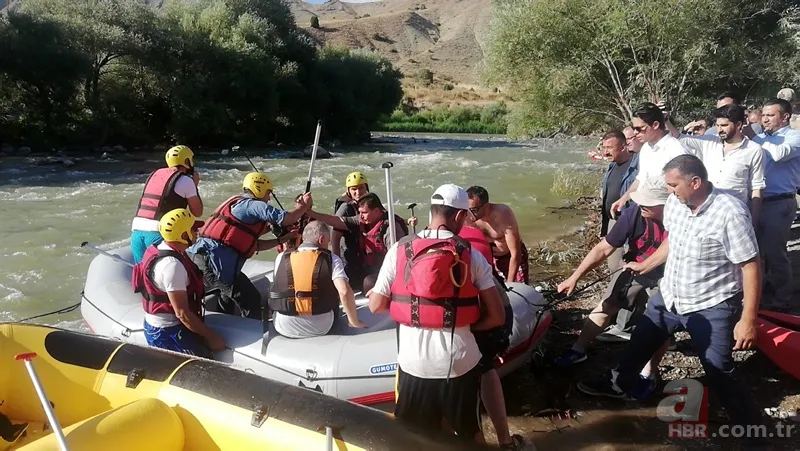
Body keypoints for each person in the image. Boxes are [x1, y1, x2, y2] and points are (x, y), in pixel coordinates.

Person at [578, 155, 764, 440]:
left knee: (719, 371)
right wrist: (647, 264)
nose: (669, 191)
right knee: (639, 344)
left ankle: (753, 432)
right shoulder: (676, 204)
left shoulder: (730, 213)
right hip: (670, 295)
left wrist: (748, 319)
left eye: (673, 185)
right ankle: (618, 384)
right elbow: (673, 240)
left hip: (710, 304)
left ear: (695, 182)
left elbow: (751, 265)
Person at [368, 184, 508, 446]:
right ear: (459, 215)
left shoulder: (399, 250)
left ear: (432, 211)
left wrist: (410, 314)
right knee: (470, 433)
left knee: (414, 435)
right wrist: (470, 326)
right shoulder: (471, 255)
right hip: (458, 362)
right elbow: (497, 316)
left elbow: (375, 305)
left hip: (413, 363)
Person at [554, 179, 669, 367]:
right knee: (605, 307)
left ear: (665, 204)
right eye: (640, 200)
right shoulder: (634, 214)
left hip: (667, 275)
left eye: (647, 202)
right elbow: (603, 249)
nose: (641, 205)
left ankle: (649, 371)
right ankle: (578, 349)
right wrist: (574, 278)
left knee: (660, 323)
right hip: (633, 267)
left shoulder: (681, 219)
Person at [189, 173, 310, 320]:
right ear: (259, 189)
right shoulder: (253, 205)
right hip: (214, 262)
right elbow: (287, 219)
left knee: (227, 295)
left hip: (205, 258)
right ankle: (254, 329)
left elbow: (255, 245)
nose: (269, 198)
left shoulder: (239, 204)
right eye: (268, 193)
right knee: (251, 298)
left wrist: (282, 239)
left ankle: (227, 322)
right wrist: (303, 207)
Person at [457, 226, 526, 450]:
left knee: (474, 375)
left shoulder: (466, 264)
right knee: (485, 370)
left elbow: (496, 317)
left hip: (488, 325)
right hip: (493, 322)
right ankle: (505, 440)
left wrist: (469, 330)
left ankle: (484, 440)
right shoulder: (476, 261)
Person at [133, 208, 225, 358]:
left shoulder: (158, 249)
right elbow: (182, 314)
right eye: (193, 229)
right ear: (183, 235)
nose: (197, 232)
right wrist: (212, 337)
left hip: (160, 325)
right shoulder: (172, 266)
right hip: (167, 332)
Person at [743, 98, 800, 312]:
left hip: (780, 202)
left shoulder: (795, 137)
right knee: (756, 252)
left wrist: (753, 138)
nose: (765, 119)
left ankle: (782, 300)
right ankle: (762, 294)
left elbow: (778, 154)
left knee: (776, 254)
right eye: (763, 115)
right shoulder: (760, 138)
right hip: (758, 202)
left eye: (770, 115)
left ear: (785, 117)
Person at [269, 220, 365, 339]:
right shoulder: (332, 259)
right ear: (321, 239)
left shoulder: (281, 257)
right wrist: (354, 322)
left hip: (284, 326)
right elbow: (344, 291)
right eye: (328, 242)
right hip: (321, 327)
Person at [679, 104, 765, 225]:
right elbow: (678, 138)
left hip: (735, 215)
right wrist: (665, 119)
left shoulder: (754, 150)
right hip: (706, 213)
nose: (719, 130)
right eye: (718, 125)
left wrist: (754, 221)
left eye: (724, 125)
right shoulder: (709, 142)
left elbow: (757, 187)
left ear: (739, 125)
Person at [305, 192, 408, 292]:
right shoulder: (362, 220)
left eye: (364, 213)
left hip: (387, 273)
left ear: (377, 210)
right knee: (342, 278)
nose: (361, 216)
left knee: (368, 282)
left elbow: (397, 261)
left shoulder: (391, 229)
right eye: (360, 212)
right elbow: (335, 221)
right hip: (367, 267)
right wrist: (310, 213)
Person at [611, 103, 691, 216]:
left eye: (639, 129)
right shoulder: (646, 148)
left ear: (655, 125)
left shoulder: (676, 150)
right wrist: (623, 199)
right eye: (634, 128)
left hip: (667, 214)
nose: (635, 133)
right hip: (643, 211)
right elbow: (641, 179)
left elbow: (685, 189)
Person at [130, 145, 203, 263]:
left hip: (136, 232)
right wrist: (194, 185)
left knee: (144, 273)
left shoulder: (155, 175)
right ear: (187, 161)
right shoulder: (186, 180)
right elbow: (197, 212)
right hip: (160, 233)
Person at [466, 186, 529, 284]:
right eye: (467, 209)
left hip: (510, 256)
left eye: (474, 210)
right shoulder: (467, 217)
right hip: (490, 258)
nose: (470, 214)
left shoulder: (503, 214)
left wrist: (511, 283)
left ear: (486, 206)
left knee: (519, 287)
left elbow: (515, 253)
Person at [599, 130, 639, 271]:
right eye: (604, 147)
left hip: (631, 223)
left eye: (610, 148)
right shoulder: (612, 165)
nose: (606, 152)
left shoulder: (637, 166)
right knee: (613, 267)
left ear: (623, 147)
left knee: (628, 265)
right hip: (613, 221)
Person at [331, 171, 369, 269]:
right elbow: (335, 237)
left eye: (361, 188)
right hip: (349, 259)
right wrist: (337, 263)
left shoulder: (370, 204)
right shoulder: (345, 208)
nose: (358, 192)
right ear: (348, 191)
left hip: (365, 255)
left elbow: (383, 216)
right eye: (354, 189)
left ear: (366, 188)